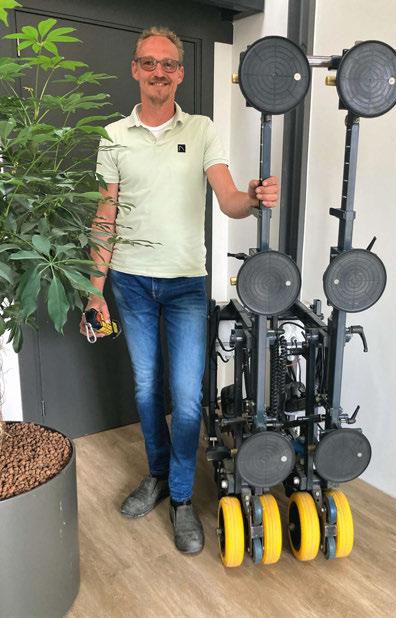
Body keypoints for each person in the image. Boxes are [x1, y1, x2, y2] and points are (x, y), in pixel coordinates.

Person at [81, 26, 278, 555]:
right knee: (147, 389)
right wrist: (94, 291)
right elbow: (105, 215)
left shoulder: (203, 130)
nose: (159, 72)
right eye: (149, 63)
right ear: (135, 69)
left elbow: (229, 198)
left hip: (187, 284)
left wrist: (253, 199)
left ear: (180, 73)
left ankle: (183, 498)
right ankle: (158, 476)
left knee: (188, 398)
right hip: (130, 282)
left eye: (168, 64)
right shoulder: (113, 135)